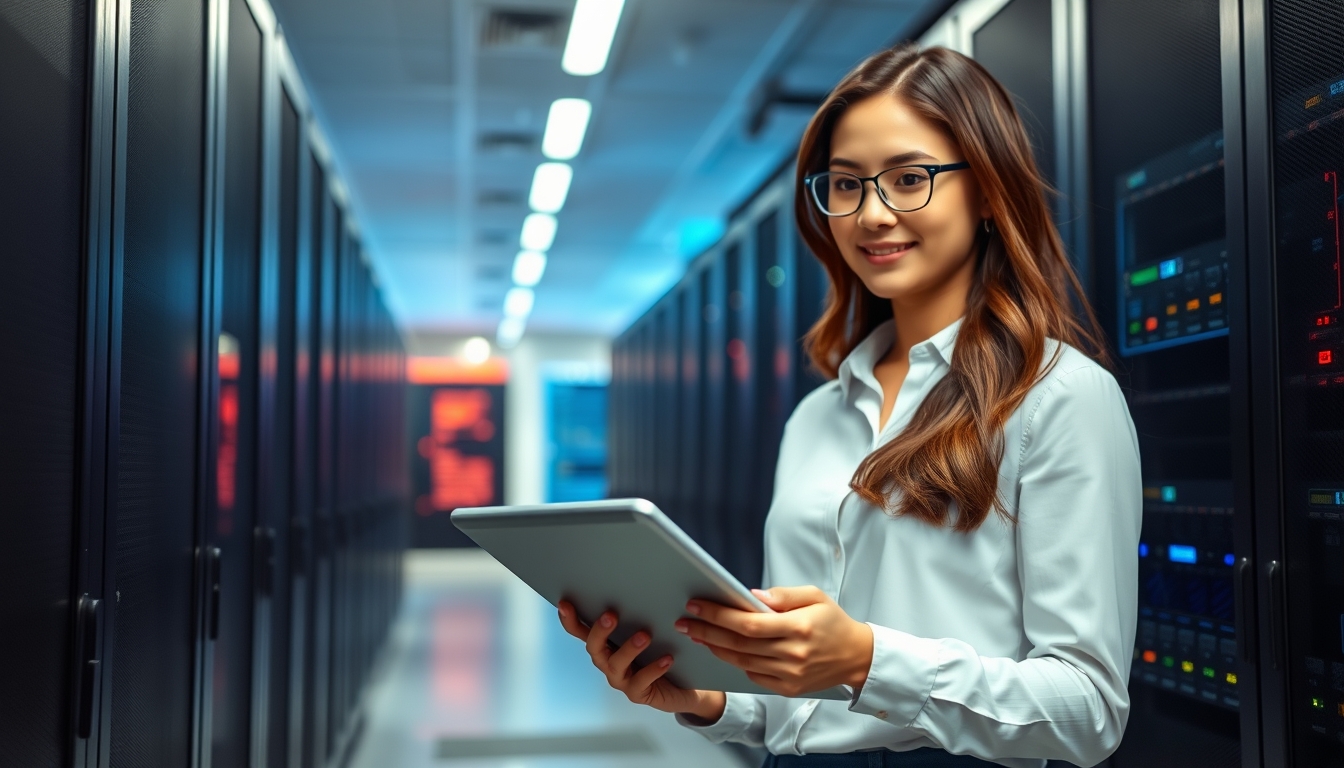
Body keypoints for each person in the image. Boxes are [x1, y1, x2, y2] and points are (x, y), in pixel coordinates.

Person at [557, 43, 1141, 768]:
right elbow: (792, 705)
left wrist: (865, 661)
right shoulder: (816, 417)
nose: (871, 214)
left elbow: (1088, 709)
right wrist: (708, 700)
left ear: (988, 191)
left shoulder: (1060, 398)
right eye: (845, 185)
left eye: (908, 178)